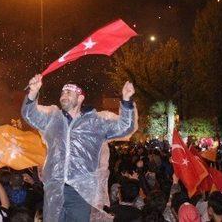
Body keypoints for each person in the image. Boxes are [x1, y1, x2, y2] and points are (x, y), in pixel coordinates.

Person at [22, 75, 137, 222]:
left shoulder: (95, 121)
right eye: (62, 92)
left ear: (80, 97)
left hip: (80, 192)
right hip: (54, 190)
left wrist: (126, 100)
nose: (64, 95)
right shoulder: (52, 118)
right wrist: (33, 92)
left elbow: (125, 127)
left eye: (69, 93)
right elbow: (29, 115)